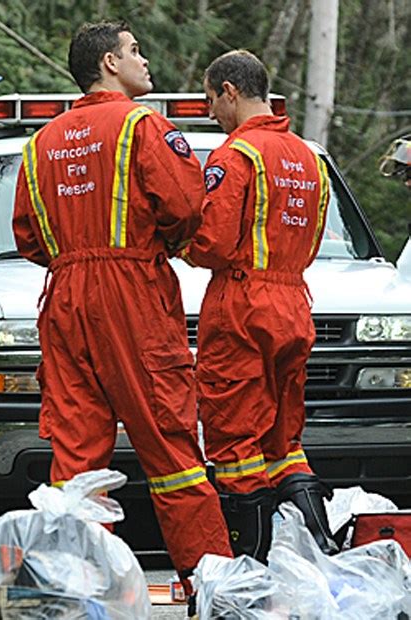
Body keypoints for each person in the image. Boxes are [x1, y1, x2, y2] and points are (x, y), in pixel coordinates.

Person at [13, 21, 232, 592]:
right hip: (131, 292)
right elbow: (185, 205)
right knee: (169, 439)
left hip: (64, 299)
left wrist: (76, 258)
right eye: (134, 50)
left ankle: (73, 588)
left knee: (76, 451)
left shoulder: (40, 143)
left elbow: (28, 239)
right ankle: (208, 581)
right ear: (110, 63)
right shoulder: (141, 124)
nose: (144, 59)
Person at [181, 50, 338, 563]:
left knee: (233, 442)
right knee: (284, 439)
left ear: (230, 90)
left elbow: (214, 244)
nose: (209, 112)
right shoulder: (309, 157)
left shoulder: (236, 156)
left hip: (242, 306)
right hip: (294, 301)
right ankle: (316, 549)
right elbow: (312, 241)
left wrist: (178, 242)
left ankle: (250, 566)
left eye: (209, 99)